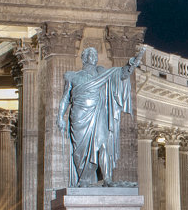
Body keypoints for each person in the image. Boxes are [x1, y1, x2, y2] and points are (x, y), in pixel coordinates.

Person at [58, 46, 142, 187]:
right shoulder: (72, 76)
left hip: (98, 113)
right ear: (84, 58)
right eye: (91, 54)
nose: (94, 56)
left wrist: (130, 64)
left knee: (103, 144)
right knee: (80, 152)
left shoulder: (101, 73)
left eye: (96, 54)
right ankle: (83, 178)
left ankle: (107, 178)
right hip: (79, 116)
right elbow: (65, 98)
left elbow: (120, 74)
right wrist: (60, 117)